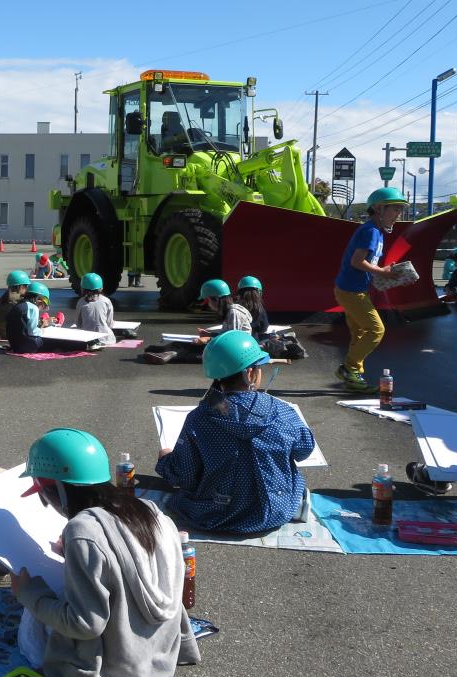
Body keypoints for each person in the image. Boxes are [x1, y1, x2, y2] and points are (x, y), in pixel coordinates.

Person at [0, 428, 200, 677]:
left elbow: (84, 624)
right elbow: (134, 563)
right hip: (159, 649)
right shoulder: (149, 511)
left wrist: (30, 594)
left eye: (43, 495)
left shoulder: (84, 532)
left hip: (111, 665)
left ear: (54, 490)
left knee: (38, 595)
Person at [156, 332, 315, 535]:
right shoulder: (282, 411)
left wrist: (166, 459)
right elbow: (304, 450)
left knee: (173, 466)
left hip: (214, 514)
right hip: (276, 510)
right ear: (249, 373)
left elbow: (183, 476)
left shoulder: (200, 418)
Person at [333, 187, 407, 392]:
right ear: (378, 208)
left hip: (352, 290)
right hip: (351, 291)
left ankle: (354, 376)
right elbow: (358, 262)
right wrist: (383, 272)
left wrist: (390, 274)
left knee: (360, 332)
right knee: (376, 330)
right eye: (395, 209)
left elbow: (368, 265)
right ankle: (349, 369)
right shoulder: (371, 232)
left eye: (400, 210)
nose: (398, 214)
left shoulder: (376, 232)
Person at [140, 279, 248, 364]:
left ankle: (171, 354)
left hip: (237, 353)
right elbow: (227, 334)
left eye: (208, 300)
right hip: (229, 349)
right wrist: (210, 334)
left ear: (216, 299)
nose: (208, 304)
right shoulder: (230, 312)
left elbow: (233, 340)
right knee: (185, 343)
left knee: (197, 351)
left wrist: (208, 339)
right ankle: (167, 349)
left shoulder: (234, 313)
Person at [6, 281, 71, 353]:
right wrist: (43, 331)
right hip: (28, 346)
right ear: (38, 299)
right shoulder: (33, 308)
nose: (43, 307)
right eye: (45, 303)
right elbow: (33, 332)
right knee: (55, 342)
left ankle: (42, 322)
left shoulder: (19, 304)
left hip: (15, 345)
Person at [73, 272, 116, 345]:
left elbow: (78, 324)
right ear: (101, 288)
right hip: (107, 339)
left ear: (82, 288)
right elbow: (110, 324)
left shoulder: (81, 302)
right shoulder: (106, 301)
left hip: (87, 339)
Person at [0, 270, 30, 342]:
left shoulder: (3, 298)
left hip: (2, 332)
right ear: (20, 287)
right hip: (14, 336)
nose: (27, 288)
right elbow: (28, 323)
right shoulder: (18, 302)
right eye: (25, 286)